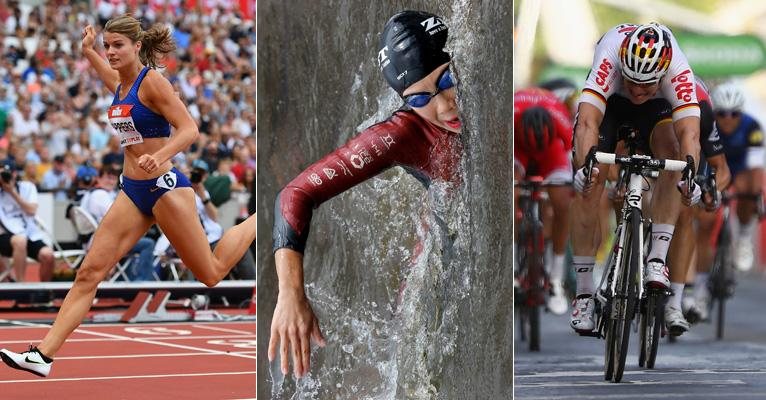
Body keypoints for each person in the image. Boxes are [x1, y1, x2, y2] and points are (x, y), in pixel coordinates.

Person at [0, 14, 256, 378]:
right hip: (132, 191)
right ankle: (42, 355)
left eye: (117, 45)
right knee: (89, 271)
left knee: (211, 274)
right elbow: (105, 73)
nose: (111, 52)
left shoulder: (153, 83)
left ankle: (261, 219)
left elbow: (189, 129)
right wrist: (88, 52)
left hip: (165, 188)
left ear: (137, 46)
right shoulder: (120, 84)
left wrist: (161, 155)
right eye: (108, 46)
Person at [268, 10, 461, 378]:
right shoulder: (402, 134)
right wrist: (290, 293)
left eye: (447, 79)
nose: (444, 105)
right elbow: (295, 194)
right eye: (420, 98)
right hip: (443, 228)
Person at [569, 22, 702, 335]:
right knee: (590, 181)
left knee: (673, 158)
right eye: (633, 83)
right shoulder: (610, 54)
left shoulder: (678, 69)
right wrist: (582, 168)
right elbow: (588, 123)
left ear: (663, 73)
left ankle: (657, 259)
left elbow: (690, 134)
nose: (639, 92)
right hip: (611, 105)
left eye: (646, 85)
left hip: (658, 112)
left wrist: (690, 174)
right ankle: (585, 294)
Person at [664, 77, 731, 328]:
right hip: (653, 137)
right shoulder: (648, 95)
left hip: (691, 149)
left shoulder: (702, 107)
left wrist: (711, 189)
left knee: (687, 212)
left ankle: (682, 296)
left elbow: (721, 169)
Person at [513, 87, 574, 315]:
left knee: (562, 205)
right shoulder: (511, 115)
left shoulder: (561, 121)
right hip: (517, 147)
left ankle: (556, 279)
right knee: (511, 192)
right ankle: (513, 265)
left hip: (552, 151)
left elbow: (572, 159)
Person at [711, 83, 764, 272]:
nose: (727, 119)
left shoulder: (752, 127)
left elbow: (756, 167)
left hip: (740, 169)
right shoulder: (708, 124)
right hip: (715, 166)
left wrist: (755, 195)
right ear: (714, 113)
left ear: (741, 114)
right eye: (722, 113)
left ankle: (743, 237)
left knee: (748, 187)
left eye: (734, 114)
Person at [80, 166, 157, 281]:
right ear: (99, 179)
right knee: (147, 244)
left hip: (98, 239)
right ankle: (142, 281)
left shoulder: (90, 194)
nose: (111, 181)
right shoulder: (100, 195)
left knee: (133, 239)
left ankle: (125, 280)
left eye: (113, 178)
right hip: (105, 241)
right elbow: (118, 218)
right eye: (108, 178)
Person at [0, 163, 55, 282]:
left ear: (15, 174)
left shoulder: (27, 187)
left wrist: (12, 192)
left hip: (29, 234)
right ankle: (21, 286)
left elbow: (31, 210)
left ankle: (44, 293)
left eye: (7, 174)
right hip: (4, 236)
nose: (4, 178)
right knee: (20, 241)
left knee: (48, 255)